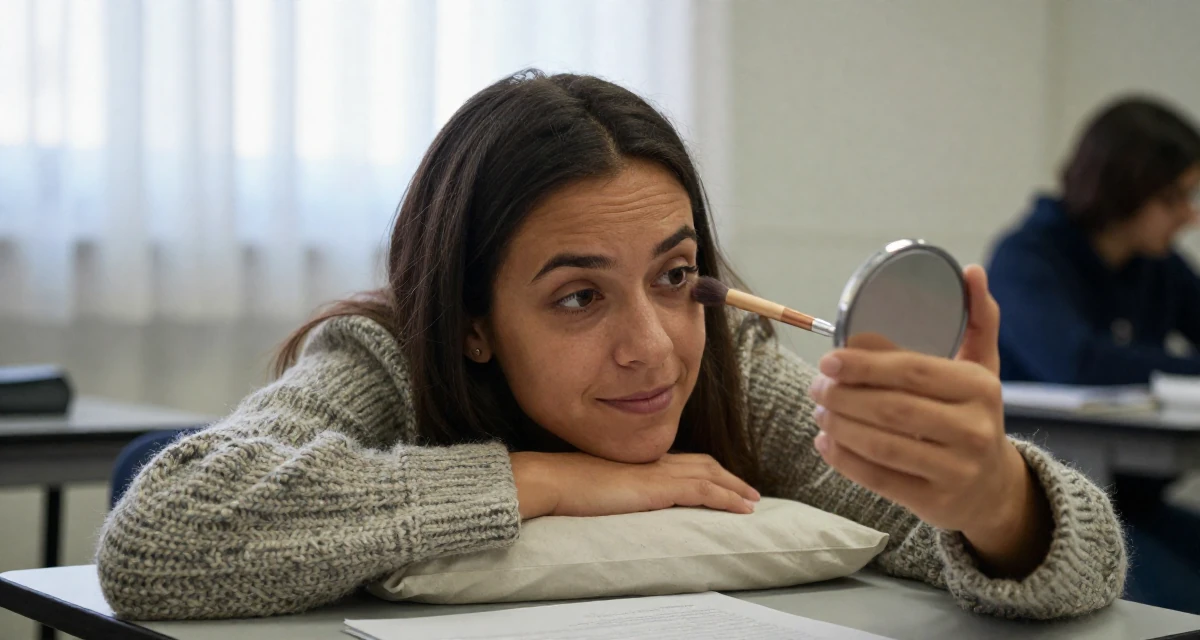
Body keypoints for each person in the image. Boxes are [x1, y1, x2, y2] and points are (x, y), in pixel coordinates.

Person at [97, 71, 1125, 622]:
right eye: (579, 295)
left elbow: (1088, 571)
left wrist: (992, 497)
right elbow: (157, 540)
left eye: (676, 277)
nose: (654, 348)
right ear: (471, 320)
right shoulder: (383, 364)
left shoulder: (732, 363)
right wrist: (540, 481)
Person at [987, 96, 1200, 613]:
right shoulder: (1026, 258)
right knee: (1180, 603)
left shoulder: (1157, 265)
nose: (1189, 216)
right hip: (1050, 515)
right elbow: (1076, 364)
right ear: (1128, 185)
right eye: (1177, 197)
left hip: (1134, 504)